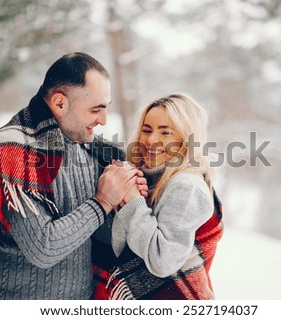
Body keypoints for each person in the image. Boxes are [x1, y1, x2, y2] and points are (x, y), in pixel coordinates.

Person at [0, 52, 147, 300]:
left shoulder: (97, 151)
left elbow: (100, 235)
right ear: (59, 103)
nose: (104, 121)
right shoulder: (11, 151)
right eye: (96, 109)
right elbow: (43, 247)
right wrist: (103, 201)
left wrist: (127, 196)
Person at [92, 93, 224, 300]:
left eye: (165, 133)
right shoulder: (153, 179)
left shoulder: (186, 186)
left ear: (186, 138)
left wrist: (134, 201)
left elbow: (162, 261)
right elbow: (121, 246)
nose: (151, 140)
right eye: (147, 130)